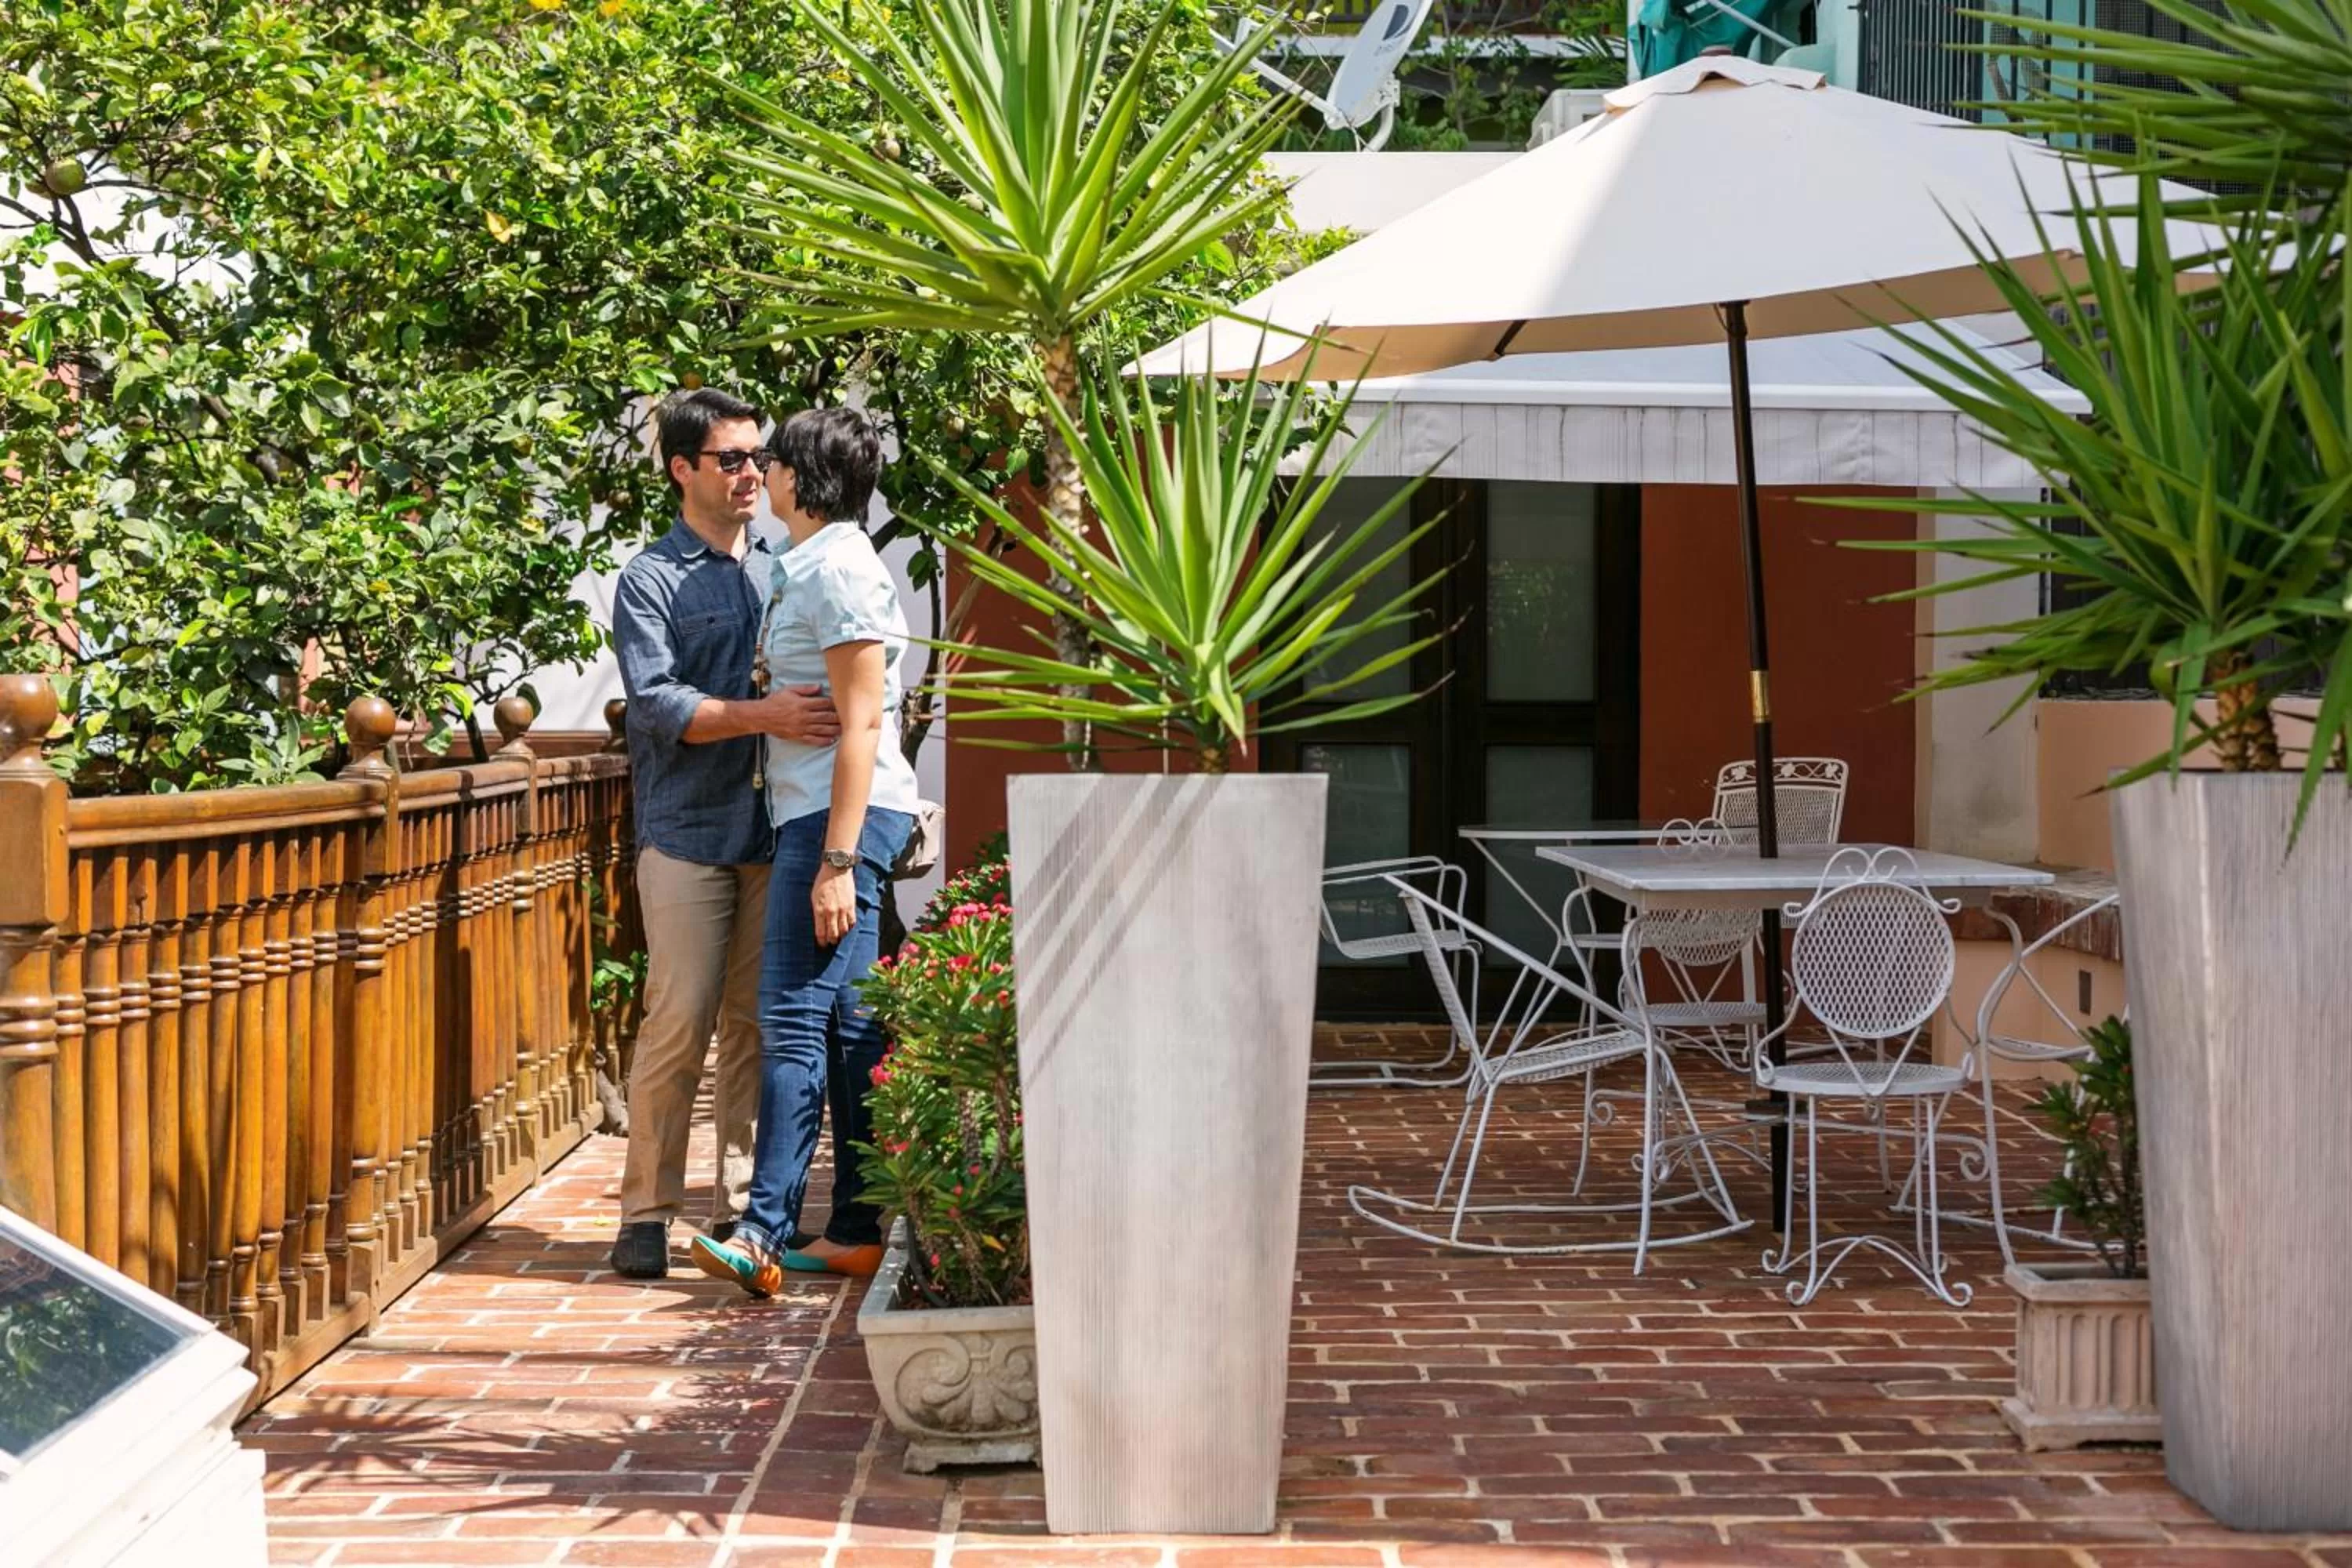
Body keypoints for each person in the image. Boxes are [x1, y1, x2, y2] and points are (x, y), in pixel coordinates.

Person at [607, 388, 840, 1280]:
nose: (752, 472)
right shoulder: (650, 578)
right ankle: (645, 1209)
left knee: (752, 1024)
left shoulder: (783, 563)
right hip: (690, 832)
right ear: (681, 469)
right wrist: (763, 713)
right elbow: (657, 704)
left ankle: (739, 1206)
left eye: (757, 456)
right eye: (731, 459)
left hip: (774, 829)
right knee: (681, 1015)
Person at [693, 406, 920, 1296]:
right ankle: (859, 1226)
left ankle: (763, 1230)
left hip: (837, 819)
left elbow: (862, 719)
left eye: (771, 459)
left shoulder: (836, 571)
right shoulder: (816, 563)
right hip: (827, 811)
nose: (761, 472)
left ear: (799, 476)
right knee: (853, 1024)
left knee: (790, 1016)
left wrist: (836, 860)